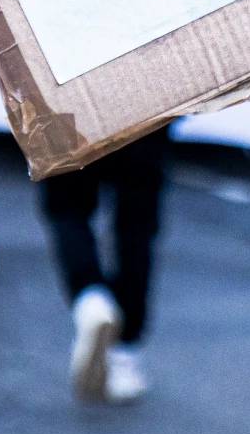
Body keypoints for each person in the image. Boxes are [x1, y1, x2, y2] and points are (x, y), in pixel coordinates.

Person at [41, 129, 170, 404]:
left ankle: (91, 296)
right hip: (145, 100)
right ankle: (125, 352)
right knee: (137, 221)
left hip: (67, 99)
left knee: (66, 205)